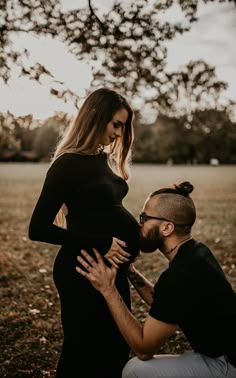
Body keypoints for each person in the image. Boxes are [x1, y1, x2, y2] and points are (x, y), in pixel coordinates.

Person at [28, 87, 141, 378]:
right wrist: (101, 242)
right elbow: (37, 228)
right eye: (116, 123)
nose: (119, 132)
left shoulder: (102, 160)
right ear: (95, 116)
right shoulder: (67, 164)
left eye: (124, 126)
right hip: (82, 270)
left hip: (112, 271)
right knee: (83, 352)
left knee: (116, 348)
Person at [76, 181, 236, 377]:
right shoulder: (196, 253)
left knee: (136, 370)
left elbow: (144, 348)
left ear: (167, 228)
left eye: (145, 218)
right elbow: (168, 303)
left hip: (227, 365)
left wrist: (108, 290)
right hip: (222, 356)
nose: (139, 224)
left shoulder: (181, 275)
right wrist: (131, 272)